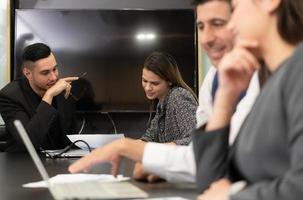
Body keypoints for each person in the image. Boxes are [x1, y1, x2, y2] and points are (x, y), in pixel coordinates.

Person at [68, 0, 261, 184]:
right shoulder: (210, 80)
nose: (206, 38)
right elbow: (203, 153)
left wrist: (139, 150)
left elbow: (193, 142)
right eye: (201, 27)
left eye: (218, 23)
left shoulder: (179, 96)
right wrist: (145, 154)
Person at [193, 0, 303, 199]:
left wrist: (232, 196)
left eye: (234, 9)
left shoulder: (298, 70)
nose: (232, 25)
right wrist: (225, 98)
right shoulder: (272, 82)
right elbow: (210, 184)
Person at [0, 43, 79, 152]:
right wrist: (48, 96)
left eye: (55, 69)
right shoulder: (9, 96)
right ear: (28, 73)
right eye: (45, 72)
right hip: (23, 163)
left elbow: (72, 138)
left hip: (60, 162)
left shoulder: (63, 90)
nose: (54, 77)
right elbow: (29, 143)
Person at [140, 51, 198, 145]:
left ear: (169, 81)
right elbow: (150, 136)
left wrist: (165, 148)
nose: (147, 88)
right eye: (144, 80)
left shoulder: (178, 96)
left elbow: (195, 138)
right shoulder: (162, 102)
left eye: (155, 83)